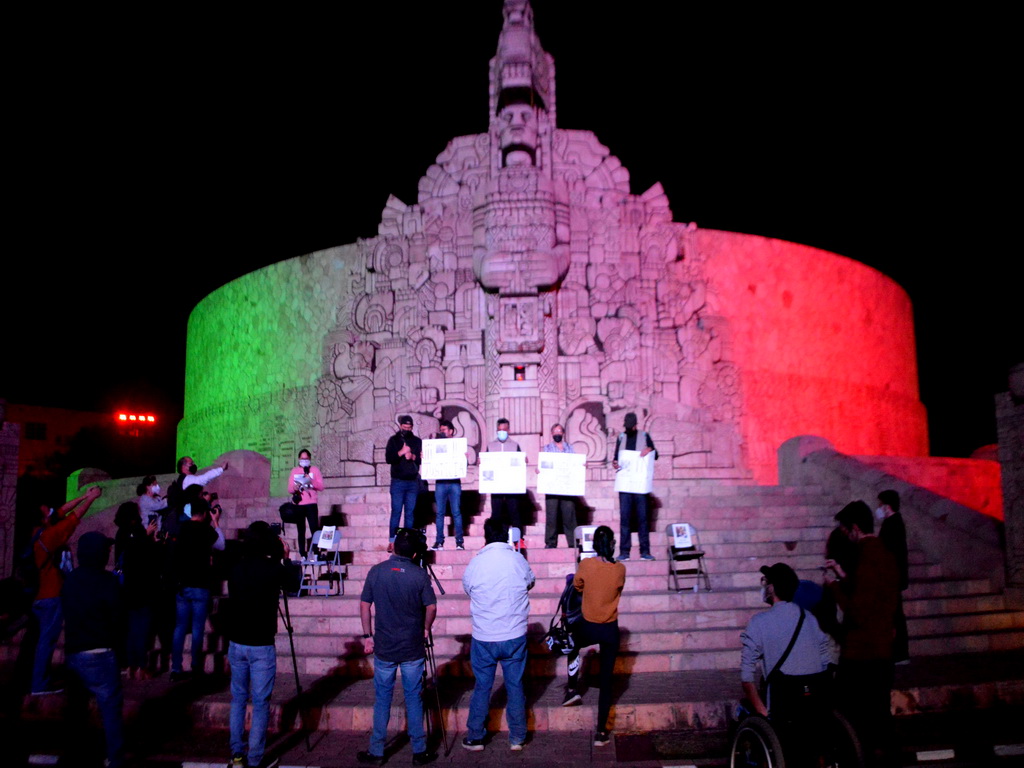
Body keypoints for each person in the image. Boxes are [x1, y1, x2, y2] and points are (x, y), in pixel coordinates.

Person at [825, 500, 899, 766]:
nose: (846, 536)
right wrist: (842, 575)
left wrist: (834, 587)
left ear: (855, 528)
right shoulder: (884, 553)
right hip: (882, 646)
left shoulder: (865, 556)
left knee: (851, 711)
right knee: (879, 710)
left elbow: (857, 610)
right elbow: (872, 592)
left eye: (846, 531)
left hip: (861, 650)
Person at [357, 528, 438, 766]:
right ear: (414, 554)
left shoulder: (377, 571)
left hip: (385, 646)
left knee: (382, 699)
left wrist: (367, 636)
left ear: (393, 547)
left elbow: (364, 605)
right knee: (414, 697)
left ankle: (377, 751)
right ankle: (419, 751)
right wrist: (425, 628)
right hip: (412, 646)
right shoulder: (419, 575)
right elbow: (431, 607)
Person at [461, 517, 535, 752]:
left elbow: (468, 589)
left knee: (482, 686)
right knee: (515, 685)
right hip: (514, 634)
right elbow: (530, 582)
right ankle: (517, 737)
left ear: (486, 536)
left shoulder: (476, 563)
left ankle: (475, 736)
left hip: (485, 635)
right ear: (507, 536)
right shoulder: (518, 560)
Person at [29, 485, 103, 694]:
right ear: (44, 518)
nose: (54, 512)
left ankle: (36, 680)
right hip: (51, 595)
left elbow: (62, 511)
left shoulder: (36, 533)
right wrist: (91, 499)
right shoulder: (49, 536)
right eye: (49, 512)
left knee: (40, 640)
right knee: (47, 641)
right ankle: (39, 684)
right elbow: (73, 517)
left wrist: (83, 496)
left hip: (38, 595)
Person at [227, 521, 289, 768]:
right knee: (260, 702)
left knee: (238, 698)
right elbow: (292, 584)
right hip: (261, 643)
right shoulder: (273, 568)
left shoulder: (236, 568)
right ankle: (254, 758)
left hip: (237, 641)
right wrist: (284, 559)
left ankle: (236, 754)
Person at [61, 531, 125, 768]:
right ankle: (114, 759)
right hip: (101, 652)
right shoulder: (108, 582)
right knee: (110, 710)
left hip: (75, 652)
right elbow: (118, 618)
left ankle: (74, 755)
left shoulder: (71, 580)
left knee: (75, 710)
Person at [740, 563, 832, 720]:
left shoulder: (759, 622)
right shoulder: (809, 618)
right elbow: (825, 661)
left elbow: (746, 677)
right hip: (814, 699)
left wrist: (762, 712)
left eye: (765, 582)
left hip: (782, 703)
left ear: (771, 588)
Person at [562, 526, 625, 747]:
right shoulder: (620, 569)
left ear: (594, 545)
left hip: (588, 626)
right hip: (610, 629)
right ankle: (601, 732)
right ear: (613, 544)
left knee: (572, 645)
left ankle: (572, 689)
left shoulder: (587, 564)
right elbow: (617, 589)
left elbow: (577, 585)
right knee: (607, 683)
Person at [170, 488, 225, 680]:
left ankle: (176, 668)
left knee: (179, 627)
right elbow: (221, 545)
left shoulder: (181, 529)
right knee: (197, 628)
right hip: (200, 583)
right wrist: (216, 522)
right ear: (203, 513)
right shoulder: (205, 529)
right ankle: (195, 665)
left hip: (182, 584)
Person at [113, 501, 159, 679]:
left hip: (127, 587)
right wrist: (148, 537)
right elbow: (140, 555)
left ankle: (131, 666)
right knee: (142, 628)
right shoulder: (135, 531)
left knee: (132, 628)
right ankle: (140, 666)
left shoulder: (120, 532)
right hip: (141, 586)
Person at [611, 412, 657, 561]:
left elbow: (655, 454)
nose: (628, 428)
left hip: (640, 485)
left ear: (636, 425)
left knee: (642, 518)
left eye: (631, 426)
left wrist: (649, 449)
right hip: (625, 485)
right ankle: (624, 552)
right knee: (625, 519)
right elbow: (616, 458)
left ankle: (645, 551)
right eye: (627, 426)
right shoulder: (621, 437)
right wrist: (615, 463)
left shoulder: (644, 436)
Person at [877, 489, 909, 664]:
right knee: (895, 615)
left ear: (887, 506)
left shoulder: (892, 523)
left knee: (895, 616)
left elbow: (890, 552)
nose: (879, 507)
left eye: (880, 504)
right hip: (893, 577)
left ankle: (900, 653)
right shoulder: (894, 522)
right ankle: (898, 653)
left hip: (891, 578)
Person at [484, 418, 525, 543]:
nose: (502, 432)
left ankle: (518, 541)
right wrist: (482, 462)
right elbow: (486, 464)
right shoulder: (490, 446)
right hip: (496, 485)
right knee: (496, 513)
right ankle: (493, 540)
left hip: (511, 485)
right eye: (499, 430)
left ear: (508, 430)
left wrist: (523, 461)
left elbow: (519, 464)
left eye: (504, 430)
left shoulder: (515, 445)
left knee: (514, 512)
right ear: (497, 430)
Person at [385, 415, 423, 543]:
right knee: (396, 512)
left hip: (412, 482)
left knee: (410, 513)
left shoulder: (417, 441)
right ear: (400, 426)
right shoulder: (393, 440)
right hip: (398, 482)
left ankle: (407, 541)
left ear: (412, 427)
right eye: (404, 427)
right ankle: (392, 540)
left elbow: (421, 459)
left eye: (409, 427)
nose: (406, 429)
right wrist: (401, 452)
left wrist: (413, 456)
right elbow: (389, 459)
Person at [542, 423, 578, 548]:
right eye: (555, 432)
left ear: (563, 433)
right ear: (552, 434)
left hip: (567, 486)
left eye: (559, 431)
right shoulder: (547, 448)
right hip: (552, 486)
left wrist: (581, 465)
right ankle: (550, 542)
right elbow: (544, 465)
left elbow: (575, 464)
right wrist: (540, 469)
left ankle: (573, 542)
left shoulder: (570, 448)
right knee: (551, 515)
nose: (557, 434)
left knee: (569, 515)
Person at [431, 419, 464, 551]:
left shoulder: (458, 445)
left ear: (451, 431)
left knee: (456, 512)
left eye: (444, 430)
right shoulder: (435, 445)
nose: (442, 432)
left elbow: (463, 464)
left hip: (454, 482)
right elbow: (431, 461)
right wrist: (426, 456)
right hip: (440, 482)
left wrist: (464, 458)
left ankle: (459, 542)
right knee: (440, 513)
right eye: (441, 430)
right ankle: (439, 542)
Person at [286, 448, 325, 558]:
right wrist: (295, 487)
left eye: (306, 459)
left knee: (314, 529)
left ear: (310, 459)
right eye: (302, 459)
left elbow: (321, 486)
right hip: (299, 505)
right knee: (301, 530)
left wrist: (311, 480)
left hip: (311, 504)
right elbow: (289, 489)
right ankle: (302, 554)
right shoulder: (294, 471)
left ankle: (316, 552)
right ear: (299, 459)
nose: (304, 461)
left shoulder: (315, 470)